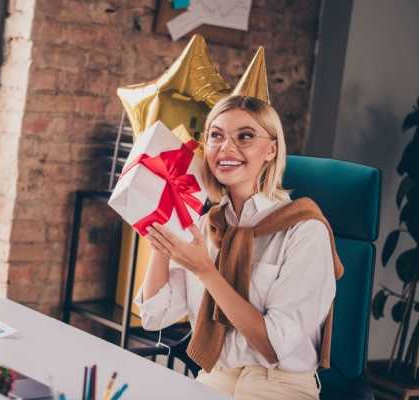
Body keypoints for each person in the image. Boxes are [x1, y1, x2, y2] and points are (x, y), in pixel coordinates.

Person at [134, 95, 342, 400]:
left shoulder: (304, 231)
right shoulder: (205, 226)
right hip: (214, 378)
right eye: (216, 136)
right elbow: (155, 316)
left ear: (271, 149)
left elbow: (273, 344)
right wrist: (164, 235)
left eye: (244, 136)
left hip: (279, 385)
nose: (226, 148)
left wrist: (206, 271)